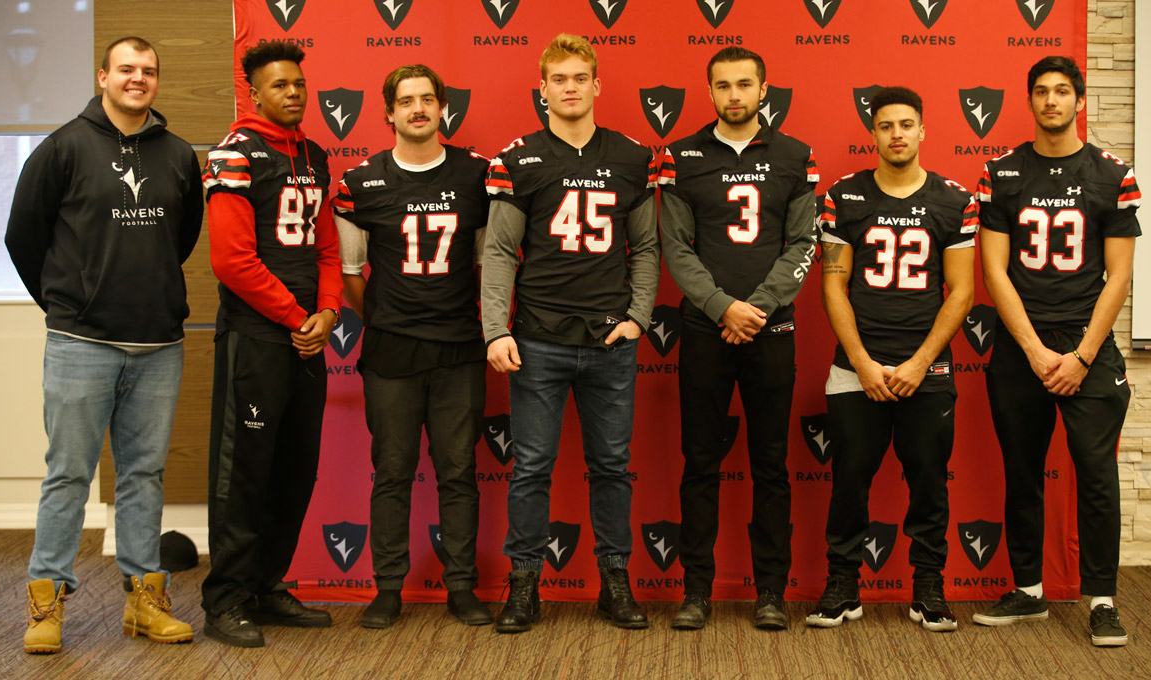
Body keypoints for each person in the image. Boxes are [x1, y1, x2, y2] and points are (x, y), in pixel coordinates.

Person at [5, 36, 202, 654]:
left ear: (156, 81)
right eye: (126, 69)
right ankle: (46, 603)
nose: (137, 79)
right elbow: (22, 237)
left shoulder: (177, 155)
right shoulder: (63, 146)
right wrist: (68, 304)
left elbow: (183, 235)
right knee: (68, 475)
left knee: (144, 473)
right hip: (80, 342)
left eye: (148, 71)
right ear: (103, 75)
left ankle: (145, 601)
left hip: (158, 344)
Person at [482, 33, 661, 633]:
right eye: (558, 79)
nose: (569, 88)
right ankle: (524, 586)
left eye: (579, 77)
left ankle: (615, 582)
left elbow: (646, 246)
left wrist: (639, 315)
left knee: (612, 464)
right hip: (537, 339)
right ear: (543, 90)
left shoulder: (632, 157)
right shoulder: (519, 159)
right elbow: (501, 250)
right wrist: (493, 330)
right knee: (531, 466)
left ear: (596, 85)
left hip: (610, 340)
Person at [974, 56, 1139, 647]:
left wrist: (1082, 357)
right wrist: (1035, 351)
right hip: (1024, 343)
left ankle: (1102, 598)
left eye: (1062, 91)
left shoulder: (1111, 173)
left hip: (1086, 343)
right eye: (1041, 91)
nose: (1051, 101)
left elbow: (1118, 277)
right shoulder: (1003, 173)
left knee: (1096, 474)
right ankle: (1029, 591)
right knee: (1022, 472)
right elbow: (993, 270)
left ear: (1080, 100)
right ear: (1029, 101)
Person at [658, 46, 817, 631]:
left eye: (744, 84)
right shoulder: (680, 156)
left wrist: (758, 307)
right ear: (710, 91)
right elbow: (676, 246)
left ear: (763, 87)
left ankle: (770, 590)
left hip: (771, 330)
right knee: (699, 462)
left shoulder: (795, 156)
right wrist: (724, 306)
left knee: (771, 464)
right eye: (722, 86)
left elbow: (803, 244)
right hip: (704, 329)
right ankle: (695, 590)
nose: (733, 95)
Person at [808, 86, 976, 633]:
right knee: (850, 479)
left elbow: (961, 292)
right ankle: (843, 585)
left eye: (907, 124)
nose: (897, 134)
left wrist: (920, 364)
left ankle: (928, 584)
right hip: (856, 366)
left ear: (923, 130)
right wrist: (860, 362)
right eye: (886, 125)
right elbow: (834, 286)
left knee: (929, 479)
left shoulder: (954, 199)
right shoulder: (845, 196)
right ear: (873, 132)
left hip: (926, 369)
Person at [333, 64, 492, 629]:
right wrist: (391, 317)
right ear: (388, 112)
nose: (418, 109)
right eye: (406, 101)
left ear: (442, 107)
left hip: (459, 347)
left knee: (458, 472)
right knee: (394, 471)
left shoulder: (477, 175)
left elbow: (484, 264)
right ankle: (388, 588)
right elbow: (352, 274)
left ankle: (462, 586)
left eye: (427, 99)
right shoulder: (361, 183)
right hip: (393, 350)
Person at [199, 41, 342, 648]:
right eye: (279, 85)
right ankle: (226, 597)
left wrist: (328, 312)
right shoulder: (233, 154)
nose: (292, 94)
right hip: (258, 337)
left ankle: (266, 584)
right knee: (245, 472)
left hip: (307, 338)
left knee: (295, 467)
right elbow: (231, 261)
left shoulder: (313, 154)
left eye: (299, 85)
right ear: (254, 92)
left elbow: (328, 248)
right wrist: (295, 316)